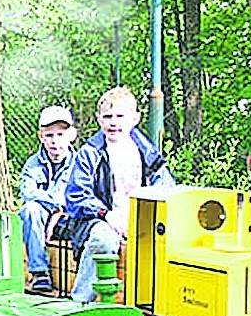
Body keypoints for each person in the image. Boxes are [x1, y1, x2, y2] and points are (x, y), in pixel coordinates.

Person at [64, 86, 175, 303]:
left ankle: (157, 303)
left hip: (139, 219)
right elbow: (77, 196)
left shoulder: (146, 152)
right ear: (99, 119)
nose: (113, 122)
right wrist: (106, 214)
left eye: (120, 116)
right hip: (99, 219)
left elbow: (165, 184)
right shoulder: (90, 153)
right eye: (107, 117)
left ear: (135, 118)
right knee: (103, 240)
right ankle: (80, 302)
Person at [18, 105, 78, 295]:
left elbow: (78, 195)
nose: (55, 141)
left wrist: (60, 211)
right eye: (49, 135)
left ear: (71, 135)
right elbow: (29, 192)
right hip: (42, 215)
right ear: (41, 137)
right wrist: (56, 206)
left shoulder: (80, 163)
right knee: (31, 210)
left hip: (68, 217)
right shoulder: (33, 164)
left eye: (60, 135)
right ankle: (39, 273)